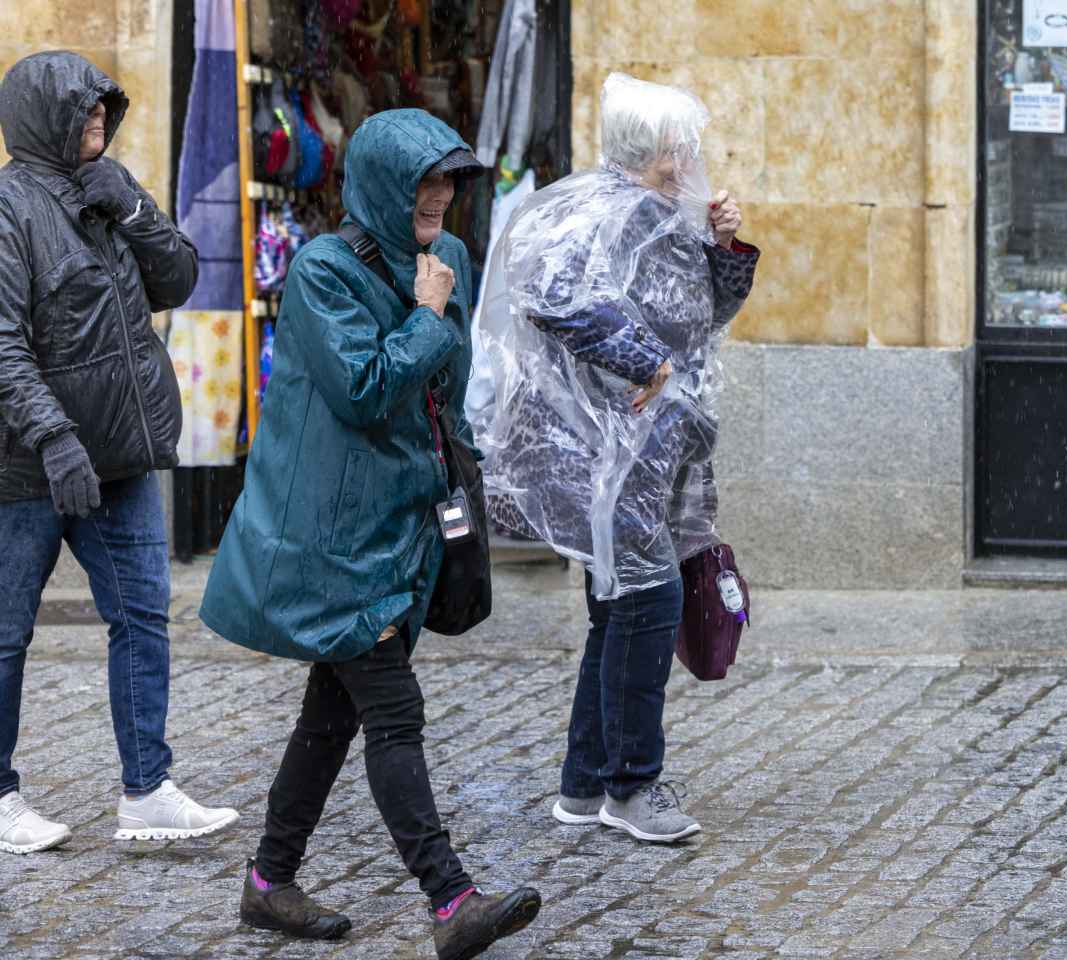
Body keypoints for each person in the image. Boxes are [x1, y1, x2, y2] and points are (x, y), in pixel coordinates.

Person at [198, 110, 540, 958]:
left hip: (400, 521)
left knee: (332, 713)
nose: (438, 197)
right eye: (423, 181)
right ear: (385, 184)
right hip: (329, 531)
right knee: (394, 709)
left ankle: (269, 884)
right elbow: (362, 387)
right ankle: (451, 899)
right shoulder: (322, 271)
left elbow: (445, 389)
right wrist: (427, 315)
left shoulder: (448, 259)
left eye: (447, 181)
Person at [472, 73, 759, 844]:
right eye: (679, 147)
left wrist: (723, 244)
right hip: (607, 453)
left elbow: (704, 314)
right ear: (649, 149)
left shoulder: (664, 214)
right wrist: (644, 360)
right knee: (649, 601)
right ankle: (632, 788)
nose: (690, 159)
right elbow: (550, 293)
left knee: (617, 610)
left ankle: (584, 783)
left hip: (648, 452)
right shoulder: (605, 212)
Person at [0, 51, 238, 855]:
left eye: (106, 105)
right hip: (29, 465)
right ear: (46, 117)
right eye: (84, 107)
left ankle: (147, 790)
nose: (99, 116)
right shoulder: (8, 208)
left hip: (121, 458)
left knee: (141, 616)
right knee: (6, 633)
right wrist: (53, 436)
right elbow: (1, 345)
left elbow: (176, 281)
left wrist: (134, 209)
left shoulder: (110, 190)